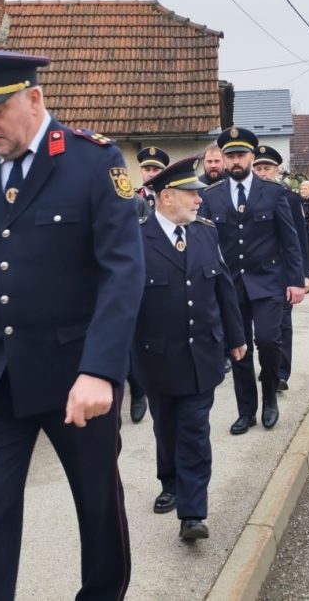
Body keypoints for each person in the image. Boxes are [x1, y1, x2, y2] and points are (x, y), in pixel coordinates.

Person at [0, 51, 144, 600]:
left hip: (76, 373)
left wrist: (100, 370)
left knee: (96, 505)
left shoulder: (93, 161)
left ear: (34, 99)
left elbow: (123, 272)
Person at [131, 158, 246, 541]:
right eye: (190, 194)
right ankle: (170, 482)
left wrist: (236, 339)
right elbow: (123, 303)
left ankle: (193, 513)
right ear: (166, 197)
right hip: (157, 357)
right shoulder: (136, 239)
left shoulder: (205, 234)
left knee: (195, 430)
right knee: (166, 426)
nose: (199, 200)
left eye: (199, 193)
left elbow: (223, 289)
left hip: (202, 355)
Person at [199, 127, 306, 435]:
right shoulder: (212, 196)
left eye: (240, 155)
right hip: (230, 285)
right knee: (238, 347)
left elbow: (290, 241)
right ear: (223, 158)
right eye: (229, 155)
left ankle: (270, 396)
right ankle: (246, 410)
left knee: (269, 341)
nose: (235, 161)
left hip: (269, 281)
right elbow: (205, 242)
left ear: (251, 156)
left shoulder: (273, 193)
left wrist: (296, 280)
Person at [251, 145, 309, 392]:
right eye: (259, 168)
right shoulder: (246, 198)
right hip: (255, 273)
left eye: (268, 168)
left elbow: (298, 240)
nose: (263, 173)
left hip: (284, 272)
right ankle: (269, 367)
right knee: (262, 330)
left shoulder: (289, 198)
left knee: (282, 325)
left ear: (277, 170)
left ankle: (280, 373)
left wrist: (302, 274)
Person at [126, 146, 171, 424]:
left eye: (155, 169)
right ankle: (138, 390)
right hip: (139, 277)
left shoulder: (175, 196)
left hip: (168, 275)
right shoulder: (130, 199)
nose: (150, 173)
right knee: (134, 338)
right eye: (147, 169)